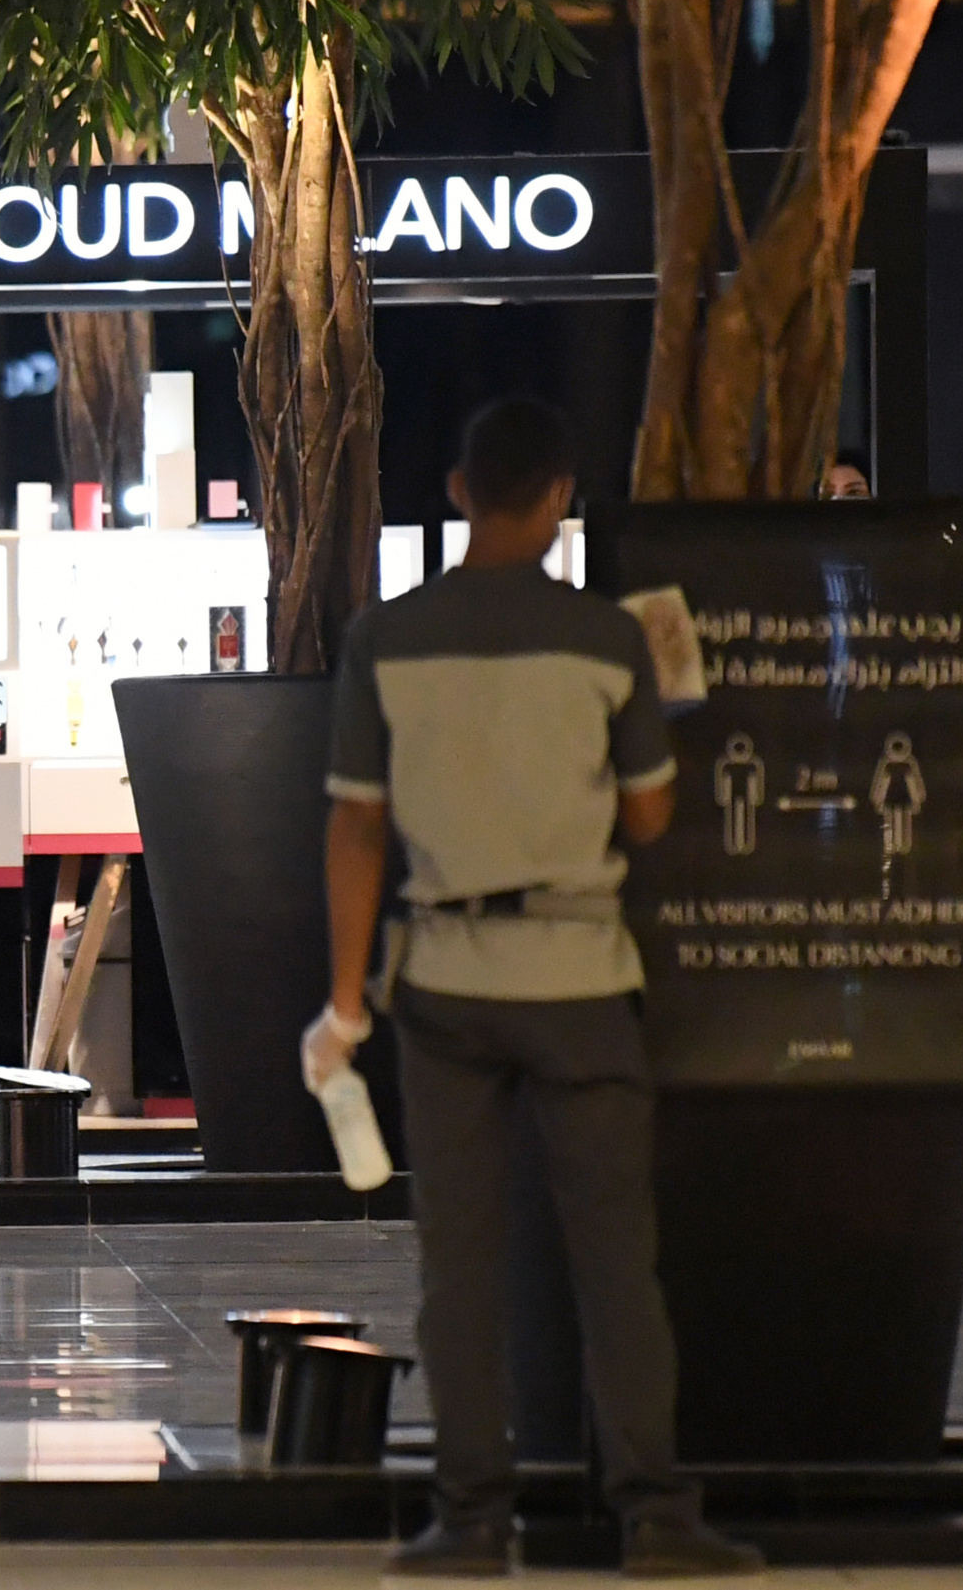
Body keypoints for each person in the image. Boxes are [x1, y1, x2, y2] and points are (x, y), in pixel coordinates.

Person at [312, 397, 762, 1579]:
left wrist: (346, 1000)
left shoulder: (385, 638)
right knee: (615, 1257)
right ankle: (656, 1516)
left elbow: (356, 828)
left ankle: (471, 1519)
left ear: (461, 491)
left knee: (459, 1263)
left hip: (445, 980)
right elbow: (650, 816)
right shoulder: (609, 641)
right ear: (560, 496)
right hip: (580, 979)